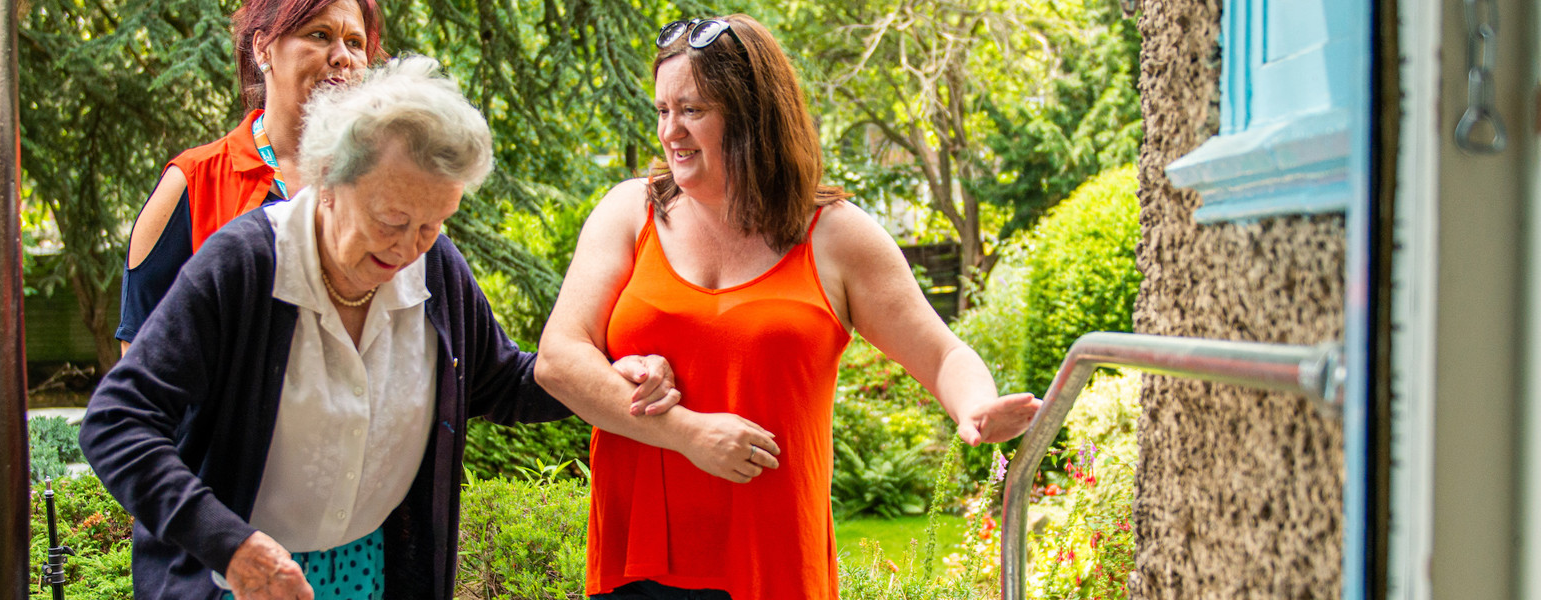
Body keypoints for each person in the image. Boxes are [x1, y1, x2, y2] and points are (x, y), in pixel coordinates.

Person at [80, 57, 682, 600]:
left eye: (433, 222)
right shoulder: (245, 265)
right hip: (241, 577)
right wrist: (228, 543)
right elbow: (117, 422)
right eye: (392, 219)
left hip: (373, 571)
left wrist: (606, 375)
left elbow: (501, 382)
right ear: (328, 181)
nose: (408, 247)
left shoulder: (435, 266)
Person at [534, 15, 1044, 600]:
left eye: (693, 110)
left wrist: (976, 405)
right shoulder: (631, 212)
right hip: (640, 562)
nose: (670, 131)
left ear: (752, 115)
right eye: (661, 111)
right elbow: (558, 359)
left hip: (772, 564)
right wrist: (688, 433)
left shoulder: (836, 237)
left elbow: (943, 353)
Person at [117, 0, 382, 354]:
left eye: (355, 43)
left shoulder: (383, 183)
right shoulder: (193, 182)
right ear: (262, 49)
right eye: (320, 35)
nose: (342, 57)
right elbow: (140, 357)